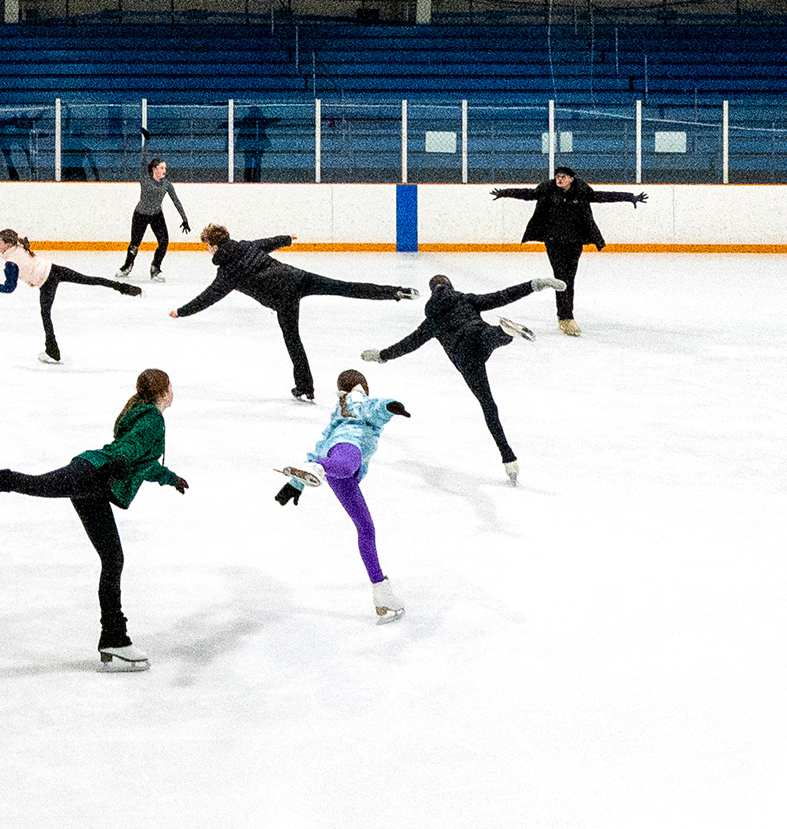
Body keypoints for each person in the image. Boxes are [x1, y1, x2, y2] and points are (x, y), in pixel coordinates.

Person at [0, 367, 187, 671]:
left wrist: (171, 478)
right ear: (163, 392)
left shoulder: (142, 412)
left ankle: (114, 638)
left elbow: (144, 462)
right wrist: (123, 459)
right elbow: (131, 449)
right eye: (171, 386)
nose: (173, 391)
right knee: (31, 483)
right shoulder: (153, 420)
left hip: (95, 484)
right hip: (93, 476)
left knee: (113, 559)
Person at [170, 224, 417, 401]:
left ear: (213, 246)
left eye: (207, 247)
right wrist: (287, 238)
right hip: (297, 277)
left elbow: (207, 298)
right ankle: (396, 292)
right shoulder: (244, 247)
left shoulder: (227, 273)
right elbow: (266, 243)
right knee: (344, 286)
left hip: (283, 298)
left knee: (293, 341)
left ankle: (306, 388)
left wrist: (182, 311)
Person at [364, 272, 555, 481]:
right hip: (477, 333)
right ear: (450, 286)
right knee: (491, 335)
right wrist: (534, 285)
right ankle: (505, 332)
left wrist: (382, 355)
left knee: (488, 404)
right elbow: (503, 295)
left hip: (464, 355)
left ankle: (508, 457)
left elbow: (408, 344)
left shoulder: (432, 320)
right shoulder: (466, 299)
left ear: (431, 292)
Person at [273, 368, 411, 622]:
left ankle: (381, 593)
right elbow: (375, 408)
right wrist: (392, 406)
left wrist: (296, 483)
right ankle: (320, 469)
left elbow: (321, 445)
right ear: (363, 386)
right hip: (348, 450)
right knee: (345, 466)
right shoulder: (358, 399)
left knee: (366, 529)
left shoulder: (339, 409)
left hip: (337, 468)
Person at [492, 167, 647, 334]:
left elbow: (604, 196)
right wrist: (504, 192)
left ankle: (565, 316)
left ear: (571, 179)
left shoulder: (581, 191)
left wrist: (630, 197)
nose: (559, 179)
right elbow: (527, 194)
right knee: (561, 277)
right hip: (553, 242)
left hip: (575, 243)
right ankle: (566, 317)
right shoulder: (547, 190)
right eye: (557, 176)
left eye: (563, 177)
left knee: (569, 278)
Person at [0, 227, 141, 364]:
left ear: (8, 244)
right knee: (89, 279)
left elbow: (9, 288)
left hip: (46, 282)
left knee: (45, 315)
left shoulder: (11, 263)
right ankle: (124, 288)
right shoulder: (19, 246)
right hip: (55, 269)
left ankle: (53, 352)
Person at [119, 150, 193, 281]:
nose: (165, 170)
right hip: (140, 214)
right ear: (154, 169)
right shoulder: (145, 178)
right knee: (135, 244)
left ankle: (155, 267)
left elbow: (176, 201)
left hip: (156, 215)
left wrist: (184, 219)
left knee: (164, 242)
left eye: (165, 168)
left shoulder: (167, 184)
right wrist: (146, 142)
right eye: (162, 167)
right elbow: (143, 160)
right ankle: (127, 266)